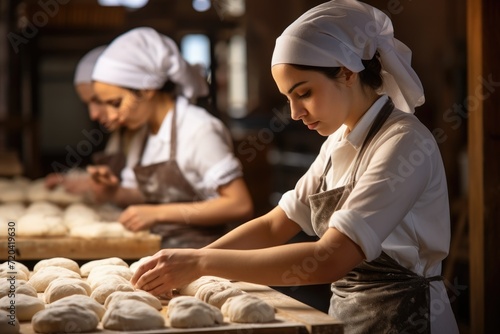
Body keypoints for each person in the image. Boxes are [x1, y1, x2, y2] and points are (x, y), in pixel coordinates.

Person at [130, 1, 459, 333]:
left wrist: (201, 263)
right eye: (288, 98)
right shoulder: (338, 142)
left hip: (409, 319)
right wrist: (187, 262)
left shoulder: (403, 143)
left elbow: (332, 257)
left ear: (346, 72)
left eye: (304, 93)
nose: (295, 113)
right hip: (348, 315)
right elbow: (277, 224)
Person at [88, 27, 254, 248]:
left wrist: (158, 214)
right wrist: (113, 192)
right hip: (159, 255)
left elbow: (239, 204)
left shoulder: (198, 129)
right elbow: (147, 197)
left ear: (146, 89)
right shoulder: (142, 133)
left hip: (204, 258)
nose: (110, 116)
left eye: (116, 103)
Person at [44, 46, 147, 197]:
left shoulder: (161, 133)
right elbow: (117, 181)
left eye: (99, 100)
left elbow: (161, 198)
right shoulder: (121, 133)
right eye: (87, 104)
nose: (93, 115)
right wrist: (79, 181)